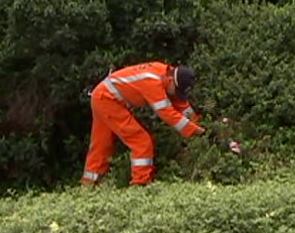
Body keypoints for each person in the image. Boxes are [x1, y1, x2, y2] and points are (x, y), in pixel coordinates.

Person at [82, 62, 218, 186]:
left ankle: (87, 186)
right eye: (177, 91)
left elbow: (181, 105)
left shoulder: (165, 75)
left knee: (101, 145)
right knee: (141, 141)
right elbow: (168, 114)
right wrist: (197, 132)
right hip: (107, 100)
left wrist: (199, 123)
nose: (177, 95)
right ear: (171, 81)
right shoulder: (152, 82)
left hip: (102, 97)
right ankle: (140, 185)